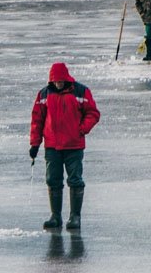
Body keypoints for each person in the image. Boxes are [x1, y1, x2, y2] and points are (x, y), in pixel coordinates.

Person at [28, 62, 100, 230]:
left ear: (66, 78)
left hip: (74, 145)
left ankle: (75, 217)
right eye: (55, 81)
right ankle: (56, 216)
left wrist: (81, 130)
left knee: (75, 180)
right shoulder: (44, 95)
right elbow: (37, 120)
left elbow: (93, 113)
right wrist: (35, 144)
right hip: (52, 146)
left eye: (61, 80)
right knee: (53, 180)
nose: (58, 83)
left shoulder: (81, 91)